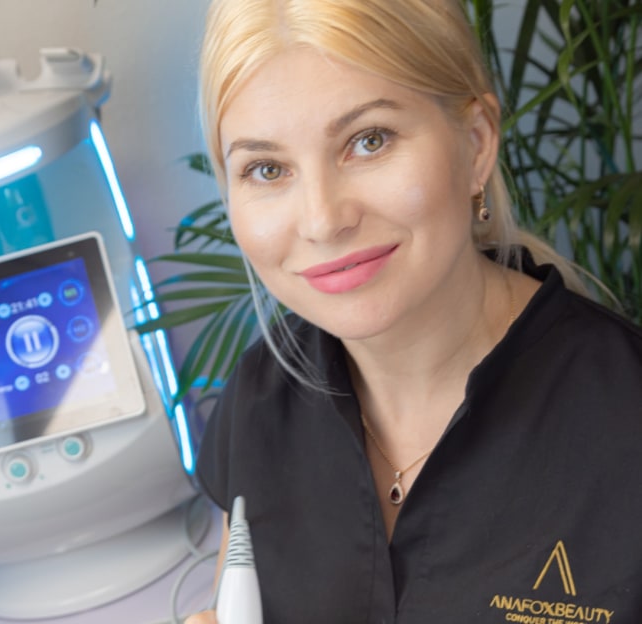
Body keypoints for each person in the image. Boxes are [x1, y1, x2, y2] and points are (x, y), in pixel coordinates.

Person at [185, 0, 642, 622]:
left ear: (475, 144)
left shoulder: (626, 416)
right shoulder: (260, 401)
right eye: (267, 169)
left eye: (368, 141)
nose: (323, 220)